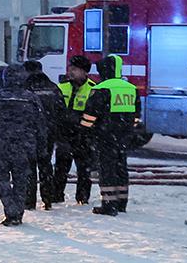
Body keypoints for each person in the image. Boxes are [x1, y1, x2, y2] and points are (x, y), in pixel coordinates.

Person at [0, 64, 47, 226]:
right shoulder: (32, 98)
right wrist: (41, 147)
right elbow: (41, 126)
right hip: (25, 146)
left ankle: (10, 209)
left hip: (1, 145)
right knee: (21, 180)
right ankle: (18, 212)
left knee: (1, 179)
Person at [81, 54, 137, 216]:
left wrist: (85, 131)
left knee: (107, 170)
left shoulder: (101, 88)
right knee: (121, 168)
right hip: (123, 137)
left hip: (104, 136)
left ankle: (108, 204)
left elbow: (90, 115)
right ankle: (121, 202)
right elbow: (136, 115)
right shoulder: (131, 88)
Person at [53, 55, 94, 205]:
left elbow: (94, 115)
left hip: (83, 136)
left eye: (75, 69)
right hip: (64, 134)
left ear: (84, 72)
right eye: (70, 68)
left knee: (83, 170)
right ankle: (56, 195)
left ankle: (82, 198)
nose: (71, 72)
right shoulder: (61, 87)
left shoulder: (92, 89)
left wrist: (86, 132)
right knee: (61, 168)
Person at [23, 59, 64, 210]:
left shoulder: (25, 87)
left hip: (30, 132)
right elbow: (61, 110)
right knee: (45, 164)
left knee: (30, 166)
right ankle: (47, 198)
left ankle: (29, 200)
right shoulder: (53, 87)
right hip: (49, 132)